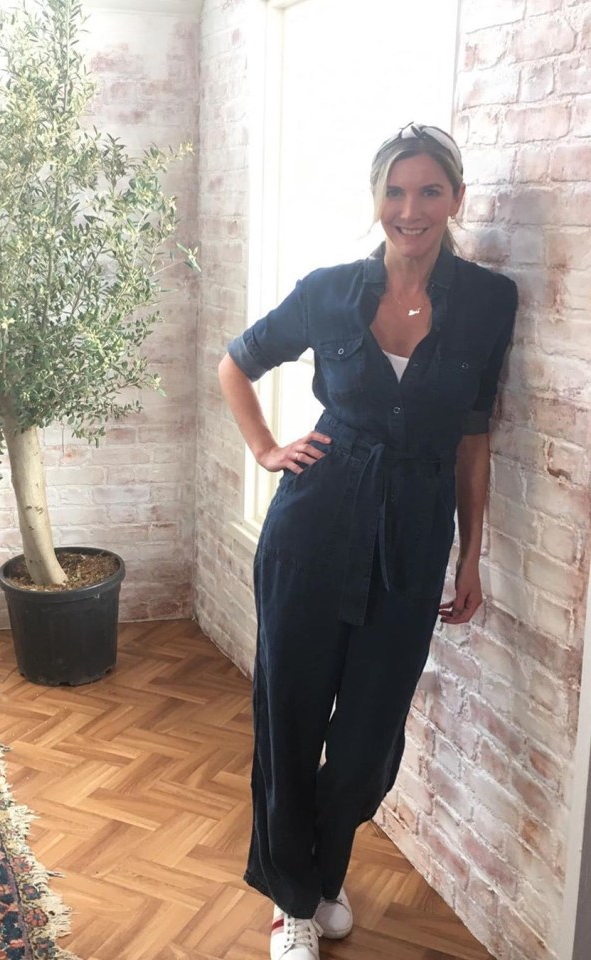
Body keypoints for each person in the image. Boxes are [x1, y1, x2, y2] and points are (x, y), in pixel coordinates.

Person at [218, 123, 518, 960]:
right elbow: (235, 365)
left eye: (428, 191)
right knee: (290, 717)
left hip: (412, 537)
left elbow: (473, 436)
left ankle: (317, 873)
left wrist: (473, 551)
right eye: (394, 191)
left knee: (367, 739)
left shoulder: (490, 302)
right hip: (312, 528)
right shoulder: (330, 290)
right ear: (376, 199)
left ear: (455, 199)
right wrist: (268, 449)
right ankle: (296, 905)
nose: (409, 209)